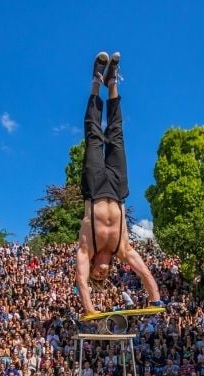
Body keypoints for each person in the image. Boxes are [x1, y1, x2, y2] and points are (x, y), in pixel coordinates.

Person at [74, 52, 162, 314]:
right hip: (117, 189)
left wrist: (90, 309)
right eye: (102, 278)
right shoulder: (122, 250)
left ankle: (95, 79)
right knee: (116, 135)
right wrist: (155, 297)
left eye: (96, 278)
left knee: (93, 135)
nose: (99, 275)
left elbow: (80, 279)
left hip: (94, 189)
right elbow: (143, 270)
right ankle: (112, 81)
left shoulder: (85, 248)